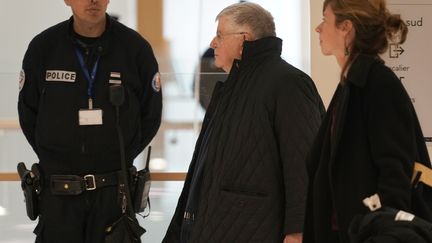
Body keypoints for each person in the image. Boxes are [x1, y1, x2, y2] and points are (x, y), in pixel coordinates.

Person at [163, 2, 324, 243]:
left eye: (219, 35)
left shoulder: (289, 84)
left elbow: (302, 164)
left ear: (243, 39)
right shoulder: (231, 89)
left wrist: (297, 232)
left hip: (253, 229)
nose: (212, 43)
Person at [17, 0, 162, 242]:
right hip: (58, 196)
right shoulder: (44, 47)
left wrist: (121, 155)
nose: (93, 0)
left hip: (115, 194)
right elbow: (28, 113)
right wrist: (55, 157)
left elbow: (151, 115)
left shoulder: (135, 48)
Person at [303, 0, 431, 242]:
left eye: (325, 20)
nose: (318, 29)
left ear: (346, 28)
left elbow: (395, 177)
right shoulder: (350, 86)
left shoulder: (378, 84)